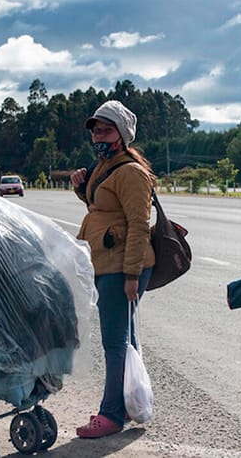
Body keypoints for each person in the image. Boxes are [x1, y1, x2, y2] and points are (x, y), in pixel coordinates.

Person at [70, 100, 156, 439]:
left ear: (121, 135)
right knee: (124, 338)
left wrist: (132, 275)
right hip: (108, 262)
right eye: (95, 131)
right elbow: (103, 209)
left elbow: (139, 224)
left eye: (106, 131)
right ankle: (130, 404)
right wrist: (82, 189)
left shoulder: (131, 172)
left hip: (122, 266)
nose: (98, 137)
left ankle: (111, 415)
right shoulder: (104, 167)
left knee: (115, 342)